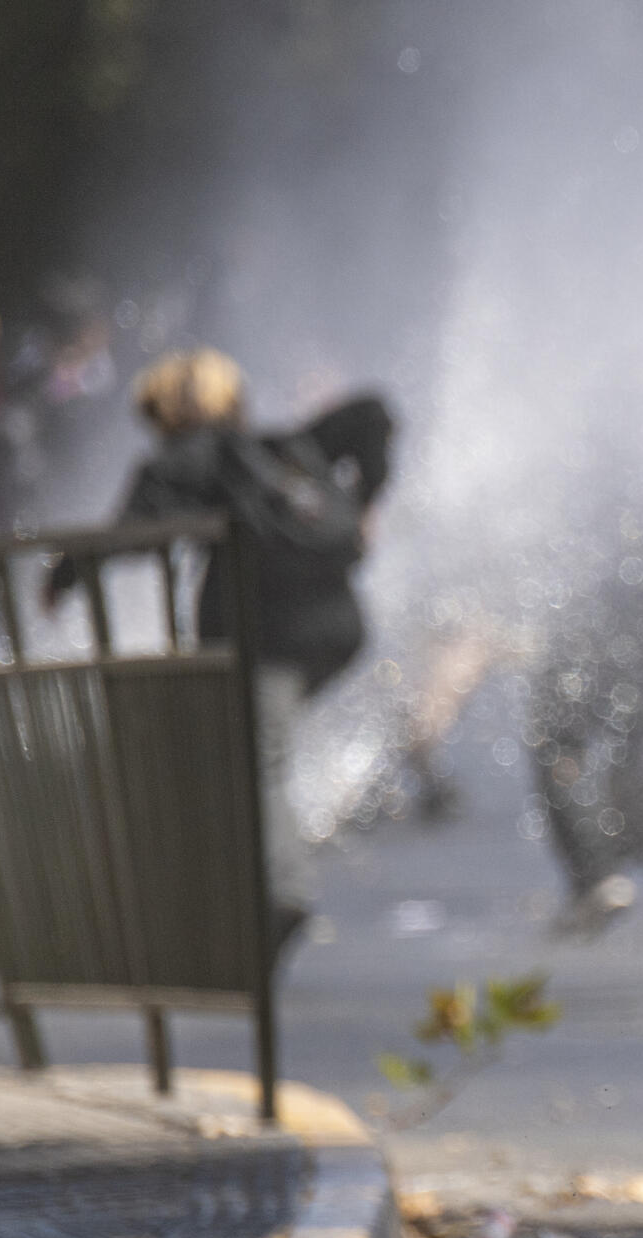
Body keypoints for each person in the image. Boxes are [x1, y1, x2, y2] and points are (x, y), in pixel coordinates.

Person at [68, 349, 392, 957]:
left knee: (256, 758)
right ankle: (250, 888)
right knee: (245, 747)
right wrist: (369, 499)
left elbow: (129, 531)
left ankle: (281, 896)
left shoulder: (191, 457)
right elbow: (374, 414)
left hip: (270, 634)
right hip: (337, 628)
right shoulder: (282, 451)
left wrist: (64, 574)